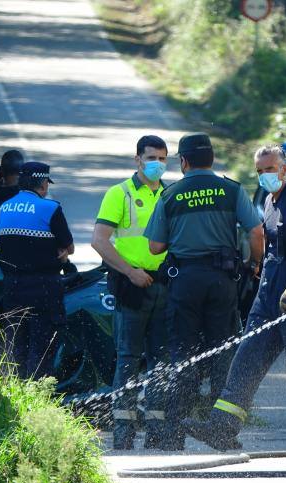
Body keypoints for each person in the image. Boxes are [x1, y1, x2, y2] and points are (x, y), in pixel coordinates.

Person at [184, 145, 286, 451]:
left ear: (284, 169)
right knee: (247, 360)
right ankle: (222, 428)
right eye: (259, 171)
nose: (264, 175)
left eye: (269, 169)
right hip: (269, 296)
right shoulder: (270, 202)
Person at [145, 132, 264, 450]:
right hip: (222, 281)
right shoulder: (231, 189)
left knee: (182, 355)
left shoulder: (171, 195)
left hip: (185, 282)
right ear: (211, 158)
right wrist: (255, 263)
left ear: (183, 161)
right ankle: (222, 432)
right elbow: (255, 230)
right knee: (223, 353)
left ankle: (172, 435)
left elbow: (156, 247)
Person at [91, 135, 171, 450]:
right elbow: (99, 240)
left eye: (163, 159)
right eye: (152, 158)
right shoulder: (119, 194)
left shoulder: (169, 194)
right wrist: (129, 271)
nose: (158, 165)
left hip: (163, 286)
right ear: (137, 159)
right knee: (127, 360)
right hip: (131, 285)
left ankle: (157, 432)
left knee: (161, 362)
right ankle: (123, 433)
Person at [0, 161, 74, 379]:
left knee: (17, 345)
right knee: (42, 348)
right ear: (42, 184)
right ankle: (38, 397)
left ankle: (18, 393)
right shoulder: (50, 208)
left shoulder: (4, 207)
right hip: (44, 288)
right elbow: (69, 247)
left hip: (12, 287)